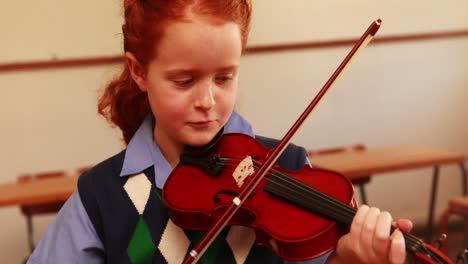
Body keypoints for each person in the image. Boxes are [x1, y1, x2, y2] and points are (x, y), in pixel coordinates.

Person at [28, 0, 413, 263]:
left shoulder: (288, 164)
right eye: (184, 81)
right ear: (139, 71)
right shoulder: (102, 195)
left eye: (225, 77)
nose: (208, 101)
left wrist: (348, 258)